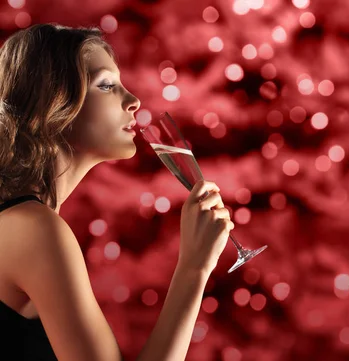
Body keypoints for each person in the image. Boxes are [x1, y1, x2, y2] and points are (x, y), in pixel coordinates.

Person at [0, 23, 235, 360]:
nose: (134, 101)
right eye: (107, 85)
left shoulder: (21, 220)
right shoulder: (34, 229)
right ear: (54, 102)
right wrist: (194, 269)